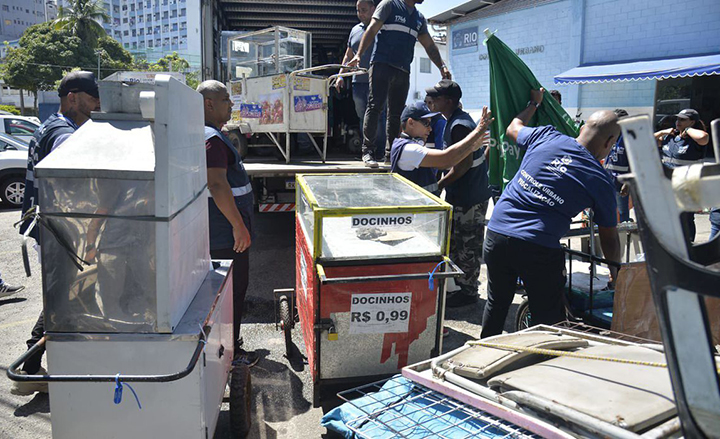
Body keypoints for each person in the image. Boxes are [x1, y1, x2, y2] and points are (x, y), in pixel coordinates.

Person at [481, 89, 622, 338]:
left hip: (496, 232)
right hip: (537, 246)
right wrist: (616, 273)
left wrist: (533, 104)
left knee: (497, 302)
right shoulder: (600, 181)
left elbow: (513, 127)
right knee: (547, 319)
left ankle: (477, 359)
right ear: (610, 142)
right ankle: (541, 367)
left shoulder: (546, 136)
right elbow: (609, 236)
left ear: (583, 129)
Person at [12, 71, 101, 396]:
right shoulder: (64, 132)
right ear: (72, 97)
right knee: (62, 300)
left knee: (69, 296)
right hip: (58, 230)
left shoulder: (51, 126)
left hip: (55, 228)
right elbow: (74, 167)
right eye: (92, 100)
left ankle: (52, 364)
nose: (96, 107)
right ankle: (29, 370)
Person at [197, 80, 258, 367]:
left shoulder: (213, 136)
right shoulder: (211, 139)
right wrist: (239, 226)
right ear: (209, 103)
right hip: (226, 233)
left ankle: (228, 345)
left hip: (224, 230)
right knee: (232, 293)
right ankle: (231, 354)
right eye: (225, 99)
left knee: (229, 292)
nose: (231, 104)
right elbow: (217, 184)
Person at [348, 0, 451, 168]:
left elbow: (429, 46)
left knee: (395, 113)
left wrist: (442, 66)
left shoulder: (419, 18)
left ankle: (391, 154)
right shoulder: (389, 5)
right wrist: (359, 54)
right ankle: (368, 152)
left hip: (403, 70)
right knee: (375, 107)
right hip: (382, 64)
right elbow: (372, 29)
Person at [426, 80, 493, 308]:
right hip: (463, 194)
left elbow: (462, 166)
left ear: (450, 101)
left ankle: (468, 291)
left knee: (468, 244)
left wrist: (440, 185)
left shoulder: (459, 125)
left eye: (437, 97)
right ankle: (461, 286)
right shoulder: (451, 121)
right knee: (458, 243)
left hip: (470, 196)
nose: (432, 100)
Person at [390, 101, 492, 196]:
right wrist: (477, 131)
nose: (430, 129)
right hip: (416, 212)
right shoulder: (408, 149)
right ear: (411, 122)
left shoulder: (407, 146)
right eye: (426, 123)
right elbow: (446, 160)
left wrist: (471, 148)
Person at [337, 0, 386, 158]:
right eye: (358, 11)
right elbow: (348, 54)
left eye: (364, 10)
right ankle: (367, 151)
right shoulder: (354, 30)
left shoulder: (382, 27)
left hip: (378, 82)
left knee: (378, 117)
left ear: (373, 9)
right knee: (362, 116)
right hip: (358, 83)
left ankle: (379, 153)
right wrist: (340, 75)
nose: (360, 14)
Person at [654, 108, 709, 242]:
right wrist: (662, 132)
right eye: (677, 119)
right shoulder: (670, 137)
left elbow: (704, 137)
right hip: (668, 185)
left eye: (683, 120)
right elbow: (645, 140)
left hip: (687, 185)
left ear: (692, 122)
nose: (678, 122)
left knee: (685, 218)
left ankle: (689, 245)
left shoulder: (695, 139)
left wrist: (688, 130)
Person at [605, 109, 631, 222]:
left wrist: (627, 183)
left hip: (621, 182)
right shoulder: (611, 135)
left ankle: (624, 234)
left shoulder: (629, 139)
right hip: (607, 179)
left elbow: (634, 163)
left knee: (622, 210)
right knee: (606, 208)